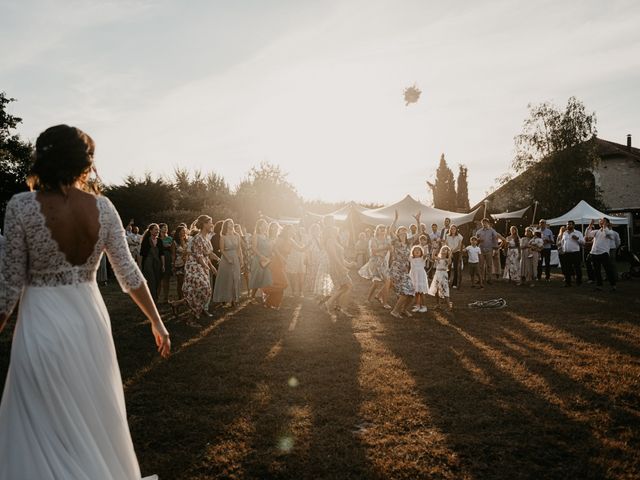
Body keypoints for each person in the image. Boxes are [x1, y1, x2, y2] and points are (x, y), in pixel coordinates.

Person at [0, 124, 169, 479]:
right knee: (91, 422)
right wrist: (157, 321)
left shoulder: (21, 207)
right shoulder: (104, 208)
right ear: (85, 165)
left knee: (40, 427)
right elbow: (129, 273)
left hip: (42, 326)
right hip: (90, 325)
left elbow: (9, 287)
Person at [170, 215, 217, 324]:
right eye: (210, 222)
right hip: (194, 267)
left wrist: (214, 263)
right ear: (204, 224)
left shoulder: (206, 237)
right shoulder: (197, 238)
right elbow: (199, 256)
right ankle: (191, 319)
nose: (212, 224)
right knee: (203, 289)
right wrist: (207, 267)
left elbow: (208, 254)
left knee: (199, 291)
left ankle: (176, 304)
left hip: (202, 265)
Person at [389, 212, 417, 319]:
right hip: (396, 269)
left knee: (411, 292)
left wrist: (418, 221)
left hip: (405, 269)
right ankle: (395, 311)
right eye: (401, 231)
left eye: (405, 230)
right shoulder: (396, 242)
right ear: (398, 233)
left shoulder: (409, 243)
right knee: (404, 292)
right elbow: (391, 230)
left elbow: (419, 233)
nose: (403, 232)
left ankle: (404, 310)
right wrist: (395, 219)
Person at [324, 225, 356, 316]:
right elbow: (334, 256)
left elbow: (340, 257)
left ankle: (332, 304)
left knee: (343, 287)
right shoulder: (329, 241)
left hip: (338, 266)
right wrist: (341, 267)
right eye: (334, 229)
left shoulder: (335, 241)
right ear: (330, 232)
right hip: (336, 267)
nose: (337, 230)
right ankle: (342, 308)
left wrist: (349, 264)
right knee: (348, 286)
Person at [358, 223, 392, 308]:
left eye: (384, 228)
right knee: (376, 283)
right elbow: (373, 252)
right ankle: (369, 299)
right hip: (375, 263)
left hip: (383, 262)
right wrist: (385, 249)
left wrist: (388, 250)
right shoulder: (373, 240)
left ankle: (384, 302)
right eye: (380, 228)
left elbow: (389, 249)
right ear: (377, 230)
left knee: (388, 281)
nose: (383, 229)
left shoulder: (387, 239)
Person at [212, 218, 243, 306]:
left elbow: (239, 248)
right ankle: (226, 299)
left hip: (235, 258)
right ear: (226, 225)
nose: (231, 224)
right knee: (227, 279)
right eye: (229, 223)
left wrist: (241, 259)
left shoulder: (237, 235)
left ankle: (235, 299)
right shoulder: (223, 236)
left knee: (236, 278)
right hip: (226, 259)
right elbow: (221, 250)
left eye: (232, 223)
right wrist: (228, 258)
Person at [139, 223, 165, 302]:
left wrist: (163, 265)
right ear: (150, 231)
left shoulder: (160, 241)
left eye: (158, 229)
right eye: (156, 229)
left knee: (157, 280)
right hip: (148, 263)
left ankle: (154, 297)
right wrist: (140, 265)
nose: (158, 231)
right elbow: (142, 254)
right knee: (151, 280)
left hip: (157, 263)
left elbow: (162, 254)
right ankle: (151, 299)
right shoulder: (146, 241)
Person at [248, 219, 273, 301]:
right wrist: (261, 256)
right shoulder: (256, 235)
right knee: (257, 277)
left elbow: (269, 248)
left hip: (266, 260)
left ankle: (264, 296)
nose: (266, 226)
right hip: (258, 259)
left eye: (266, 224)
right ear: (259, 226)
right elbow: (254, 248)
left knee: (266, 278)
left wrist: (270, 255)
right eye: (264, 224)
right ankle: (252, 296)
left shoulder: (267, 236)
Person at [590, 218, 617, 291]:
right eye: (600, 221)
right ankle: (599, 286)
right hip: (594, 253)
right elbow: (588, 234)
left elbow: (607, 233)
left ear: (607, 223)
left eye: (603, 221)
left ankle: (613, 285)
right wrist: (591, 225)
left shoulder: (611, 231)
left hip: (604, 253)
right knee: (596, 270)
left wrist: (605, 226)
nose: (601, 222)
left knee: (608, 270)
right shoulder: (597, 231)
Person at [559, 221, 584, 286]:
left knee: (577, 268)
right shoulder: (564, 233)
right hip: (566, 253)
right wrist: (562, 249)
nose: (568, 226)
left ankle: (579, 282)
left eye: (570, 224)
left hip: (575, 253)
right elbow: (562, 242)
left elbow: (583, 242)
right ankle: (568, 282)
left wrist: (577, 239)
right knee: (567, 268)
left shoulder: (578, 233)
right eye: (567, 225)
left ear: (573, 225)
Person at [428, 245, 453, 310]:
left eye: (446, 249)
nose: (444, 250)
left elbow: (449, 262)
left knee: (445, 289)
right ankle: (438, 304)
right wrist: (434, 249)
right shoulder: (438, 258)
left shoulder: (446, 259)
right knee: (436, 290)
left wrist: (450, 254)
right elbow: (433, 256)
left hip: (443, 274)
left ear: (448, 252)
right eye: (443, 249)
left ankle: (449, 306)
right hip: (437, 274)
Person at [475, 218, 498, 285]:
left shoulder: (492, 231)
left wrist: (495, 249)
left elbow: (495, 239)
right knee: (481, 265)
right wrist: (478, 240)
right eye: (483, 223)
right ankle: (480, 279)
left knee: (489, 265)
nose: (484, 224)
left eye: (485, 223)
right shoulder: (478, 231)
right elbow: (475, 241)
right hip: (481, 250)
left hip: (489, 250)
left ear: (488, 223)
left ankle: (489, 279)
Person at [410, 245, 428, 312]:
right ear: (413, 252)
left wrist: (425, 248)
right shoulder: (411, 258)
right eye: (415, 250)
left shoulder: (422, 258)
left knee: (421, 292)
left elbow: (425, 255)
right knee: (416, 292)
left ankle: (424, 306)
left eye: (418, 250)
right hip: (414, 277)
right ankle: (417, 305)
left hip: (420, 277)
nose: (417, 251)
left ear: (421, 252)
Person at [158, 223, 173, 304]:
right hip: (158, 258)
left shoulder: (170, 238)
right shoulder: (157, 238)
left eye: (166, 227)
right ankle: (157, 297)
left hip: (167, 258)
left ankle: (165, 298)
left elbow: (171, 247)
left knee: (166, 278)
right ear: (160, 229)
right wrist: (165, 245)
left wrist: (166, 245)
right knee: (159, 279)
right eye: (164, 227)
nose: (166, 229)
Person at [172, 225, 189, 299]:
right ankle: (181, 298)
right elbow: (173, 255)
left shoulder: (187, 241)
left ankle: (186, 297)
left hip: (187, 263)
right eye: (182, 231)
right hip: (179, 263)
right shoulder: (175, 242)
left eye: (185, 231)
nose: (184, 232)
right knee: (180, 282)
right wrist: (173, 265)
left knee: (187, 282)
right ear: (178, 232)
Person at [445, 224, 464, 288]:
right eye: (452, 229)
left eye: (454, 229)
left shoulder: (459, 236)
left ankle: (454, 283)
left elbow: (459, 246)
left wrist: (453, 251)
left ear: (456, 229)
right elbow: (446, 244)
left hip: (456, 253)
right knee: (448, 268)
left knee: (455, 268)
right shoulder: (447, 236)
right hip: (449, 252)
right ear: (450, 229)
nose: (453, 230)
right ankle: (447, 281)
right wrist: (449, 251)